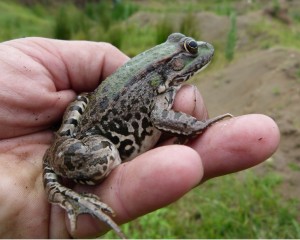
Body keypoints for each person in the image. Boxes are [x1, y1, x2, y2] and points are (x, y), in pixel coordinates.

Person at [0, 37, 280, 238]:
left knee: (86, 102)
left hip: (78, 132)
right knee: (102, 160)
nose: (201, 52)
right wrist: (196, 125)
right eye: (190, 50)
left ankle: (59, 153)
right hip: (92, 141)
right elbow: (159, 117)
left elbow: (157, 114)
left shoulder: (161, 83)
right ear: (175, 62)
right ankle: (60, 191)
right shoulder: (158, 82)